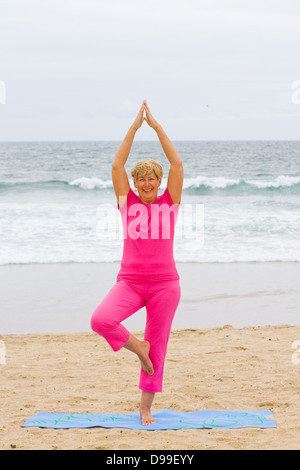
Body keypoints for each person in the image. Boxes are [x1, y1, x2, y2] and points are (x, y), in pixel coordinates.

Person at [90, 100, 184, 425]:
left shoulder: (169, 204)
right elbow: (116, 166)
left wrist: (156, 127)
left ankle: (145, 408)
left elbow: (177, 163)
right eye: (141, 179)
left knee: (158, 348)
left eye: (152, 179)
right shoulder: (126, 202)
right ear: (136, 183)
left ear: (159, 182)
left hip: (165, 286)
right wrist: (133, 127)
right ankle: (138, 348)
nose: (146, 183)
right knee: (101, 320)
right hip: (129, 282)